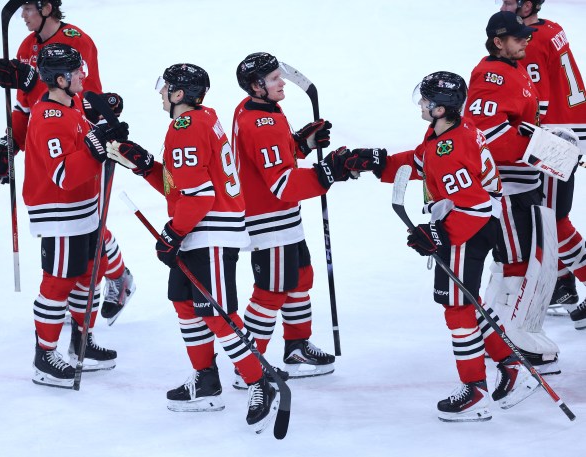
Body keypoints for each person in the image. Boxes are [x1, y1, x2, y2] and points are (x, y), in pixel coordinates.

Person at [104, 63, 298, 432]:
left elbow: (198, 197)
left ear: (178, 95)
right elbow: (182, 186)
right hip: (201, 229)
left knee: (216, 313)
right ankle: (206, 382)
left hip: (207, 233)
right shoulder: (205, 118)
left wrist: (173, 233)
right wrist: (144, 165)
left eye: (166, 90)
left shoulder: (185, 127)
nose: (162, 95)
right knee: (184, 303)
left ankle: (260, 382)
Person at [356, 71, 539, 421]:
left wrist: (442, 235)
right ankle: (511, 365)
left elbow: (474, 203)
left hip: (470, 226)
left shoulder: (451, 148)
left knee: (457, 308)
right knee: (468, 302)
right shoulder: (450, 133)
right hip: (479, 223)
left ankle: (475, 391)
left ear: (441, 109)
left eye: (426, 100)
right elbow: (424, 160)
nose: (422, 104)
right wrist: (380, 163)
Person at [0, 0, 134, 325]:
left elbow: (88, 105)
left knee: (90, 228)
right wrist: (10, 143)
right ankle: (89, 297)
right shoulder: (27, 46)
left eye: (28, 8)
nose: (23, 16)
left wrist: (32, 82)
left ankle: (118, 277)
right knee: (78, 231)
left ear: (47, 7)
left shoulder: (77, 41)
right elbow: (27, 108)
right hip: (54, 147)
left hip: (86, 143)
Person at [231, 52, 366, 384]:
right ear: (256, 85)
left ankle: (297, 346)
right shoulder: (259, 122)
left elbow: (276, 159)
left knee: (300, 278)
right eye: (275, 79)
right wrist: (328, 173)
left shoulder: (262, 109)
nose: (283, 83)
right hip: (269, 221)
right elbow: (282, 184)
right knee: (271, 291)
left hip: (284, 219)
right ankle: (249, 364)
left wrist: (301, 144)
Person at [464, 11, 577, 375]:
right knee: (517, 263)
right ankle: (510, 339)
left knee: (521, 261)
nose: (526, 40)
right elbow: (487, 136)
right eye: (517, 37)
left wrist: (546, 139)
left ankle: (497, 334)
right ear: (498, 41)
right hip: (507, 188)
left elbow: (521, 125)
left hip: (523, 183)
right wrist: (543, 148)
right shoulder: (491, 75)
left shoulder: (515, 70)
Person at [25, 43, 127, 388]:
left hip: (83, 211)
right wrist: (98, 145)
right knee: (58, 284)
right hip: (61, 214)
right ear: (59, 78)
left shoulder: (70, 105)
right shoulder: (48, 118)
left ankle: (81, 344)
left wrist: (102, 123)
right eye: (77, 71)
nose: (84, 74)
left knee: (87, 277)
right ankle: (45, 356)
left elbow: (85, 135)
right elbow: (64, 176)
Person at [498, 0, 586, 327]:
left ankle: (565, 282)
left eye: (511, 0)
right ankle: (564, 285)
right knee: (550, 216)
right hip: (571, 130)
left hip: (556, 137)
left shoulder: (528, 43)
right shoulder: (551, 28)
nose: (505, 5)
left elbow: (538, 102)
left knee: (550, 219)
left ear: (530, 3)